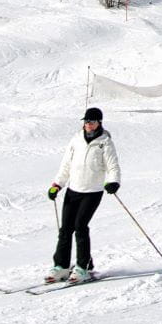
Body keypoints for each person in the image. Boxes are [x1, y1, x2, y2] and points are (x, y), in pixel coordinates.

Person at [45, 107, 121, 283]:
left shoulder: (105, 142)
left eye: (92, 121)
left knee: (80, 227)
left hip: (92, 192)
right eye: (86, 121)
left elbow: (113, 166)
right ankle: (61, 267)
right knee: (65, 229)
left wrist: (113, 181)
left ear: (99, 123)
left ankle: (83, 268)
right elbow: (66, 165)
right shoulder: (76, 140)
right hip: (73, 190)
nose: (88, 124)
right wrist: (57, 185)